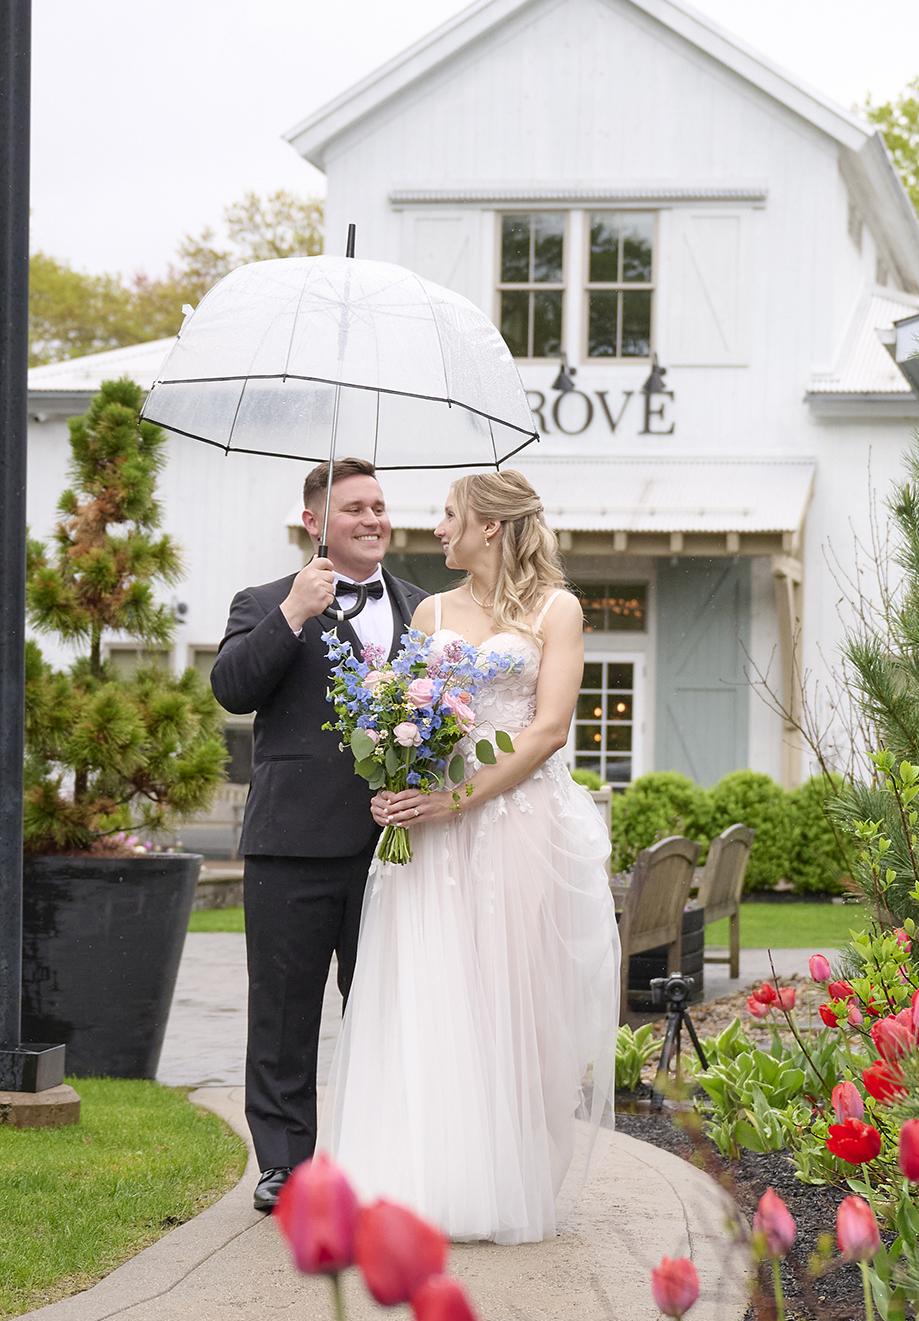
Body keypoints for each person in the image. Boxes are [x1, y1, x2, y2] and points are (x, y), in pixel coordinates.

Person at [319, 469, 619, 1243]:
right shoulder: (431, 610)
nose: (437, 528)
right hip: (430, 830)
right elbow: (404, 712)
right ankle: (416, 1181)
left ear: (490, 525)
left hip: (516, 823)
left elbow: (548, 729)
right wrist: (394, 786)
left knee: (509, 998)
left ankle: (500, 1180)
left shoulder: (558, 610)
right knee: (428, 992)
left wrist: (461, 799)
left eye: (450, 515)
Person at [211, 458, 427, 1212]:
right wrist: (293, 614)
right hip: (291, 843)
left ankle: (384, 1155)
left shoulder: (423, 608)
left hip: (393, 850)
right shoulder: (264, 601)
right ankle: (284, 1165)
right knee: (283, 1011)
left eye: (380, 507)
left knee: (386, 1007)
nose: (374, 519)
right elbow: (233, 690)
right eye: (356, 508)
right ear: (315, 522)